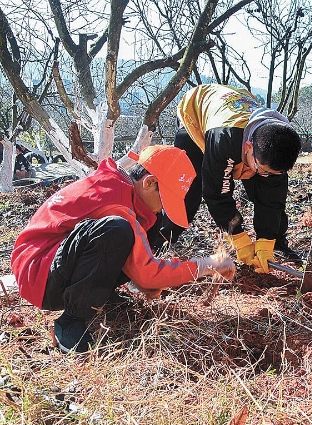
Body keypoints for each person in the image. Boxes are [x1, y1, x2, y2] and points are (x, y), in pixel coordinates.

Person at [10, 145, 236, 353]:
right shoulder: (115, 203)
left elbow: (139, 264)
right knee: (116, 231)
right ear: (149, 183)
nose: (162, 209)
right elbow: (148, 274)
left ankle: (102, 295)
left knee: (135, 230)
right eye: (164, 200)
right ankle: (71, 321)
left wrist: (143, 279)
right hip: (39, 276)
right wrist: (209, 264)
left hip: (53, 264)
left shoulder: (122, 189)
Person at [158, 84, 302, 269]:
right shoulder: (223, 139)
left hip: (237, 120)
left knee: (265, 187)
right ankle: (161, 242)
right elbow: (216, 192)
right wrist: (237, 235)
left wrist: (267, 240)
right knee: (190, 190)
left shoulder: (279, 142)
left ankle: (278, 244)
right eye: (262, 168)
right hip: (196, 113)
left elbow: (273, 199)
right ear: (248, 147)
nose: (265, 175)